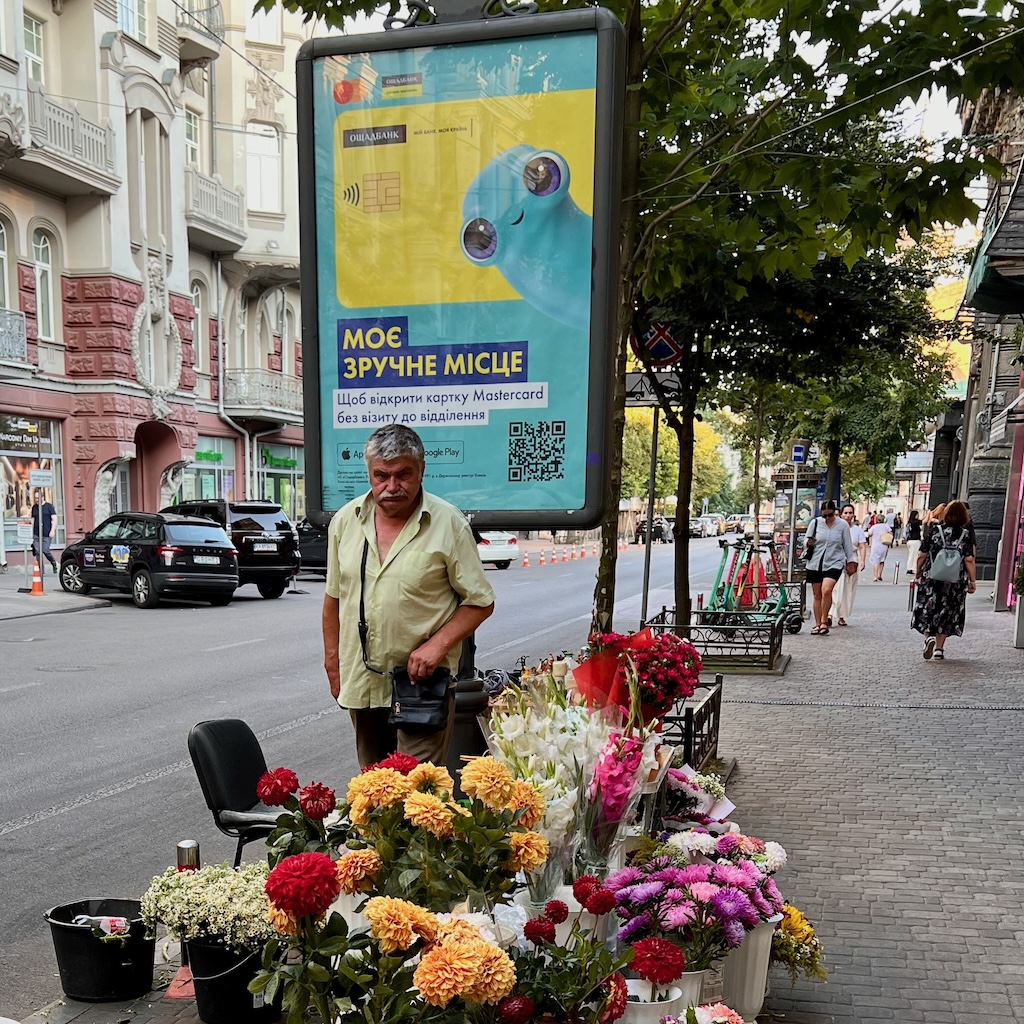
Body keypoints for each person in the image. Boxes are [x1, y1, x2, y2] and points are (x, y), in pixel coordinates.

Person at [322, 424, 495, 768]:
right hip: (363, 680)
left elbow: (480, 601)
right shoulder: (345, 522)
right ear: (369, 472)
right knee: (373, 791)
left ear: (421, 471)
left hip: (422, 687)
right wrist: (332, 663)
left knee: (416, 790)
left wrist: (437, 646)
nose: (391, 487)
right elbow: (334, 599)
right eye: (381, 476)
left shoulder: (448, 523)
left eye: (403, 474)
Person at [912, 500, 977, 660]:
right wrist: (972, 580)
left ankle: (929, 637)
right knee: (947, 611)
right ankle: (939, 649)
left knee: (929, 607)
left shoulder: (934, 531)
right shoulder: (965, 535)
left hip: (932, 577)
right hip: (954, 580)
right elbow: (969, 559)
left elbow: (922, 555)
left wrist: (918, 572)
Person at [803, 499, 857, 635]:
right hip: (815, 563)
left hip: (834, 562)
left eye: (830, 515)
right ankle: (817, 624)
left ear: (835, 513)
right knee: (817, 595)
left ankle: (824, 621)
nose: (827, 518)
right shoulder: (815, 523)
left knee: (826, 590)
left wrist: (851, 561)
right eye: (824, 515)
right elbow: (805, 540)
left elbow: (847, 545)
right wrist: (808, 543)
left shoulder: (842, 525)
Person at [833, 504, 866, 626]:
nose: (848, 515)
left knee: (848, 590)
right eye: (845, 513)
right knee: (836, 588)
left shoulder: (857, 530)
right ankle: (830, 613)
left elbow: (862, 546)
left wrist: (862, 560)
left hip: (852, 560)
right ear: (841, 514)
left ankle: (842, 616)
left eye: (850, 513)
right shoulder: (837, 527)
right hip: (838, 559)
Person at [30, 490, 58, 574]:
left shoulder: (49, 506)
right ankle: (40, 570)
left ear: (42, 497)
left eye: (38, 498)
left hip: (46, 533)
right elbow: (33, 519)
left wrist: (52, 530)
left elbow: (54, 519)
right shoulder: (34, 507)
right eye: (35, 498)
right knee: (38, 552)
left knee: (45, 550)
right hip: (36, 533)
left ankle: (53, 563)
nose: (36, 500)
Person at [867, 514, 891, 582]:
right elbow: (890, 533)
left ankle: (875, 576)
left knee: (875, 561)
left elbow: (869, 534)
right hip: (884, 545)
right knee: (882, 560)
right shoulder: (886, 526)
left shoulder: (874, 527)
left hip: (876, 545)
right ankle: (879, 575)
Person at [905, 510, 923, 575]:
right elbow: (923, 521)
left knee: (911, 554)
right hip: (915, 540)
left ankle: (910, 568)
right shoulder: (915, 522)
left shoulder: (909, 522)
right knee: (914, 555)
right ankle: (911, 568)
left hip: (909, 540)